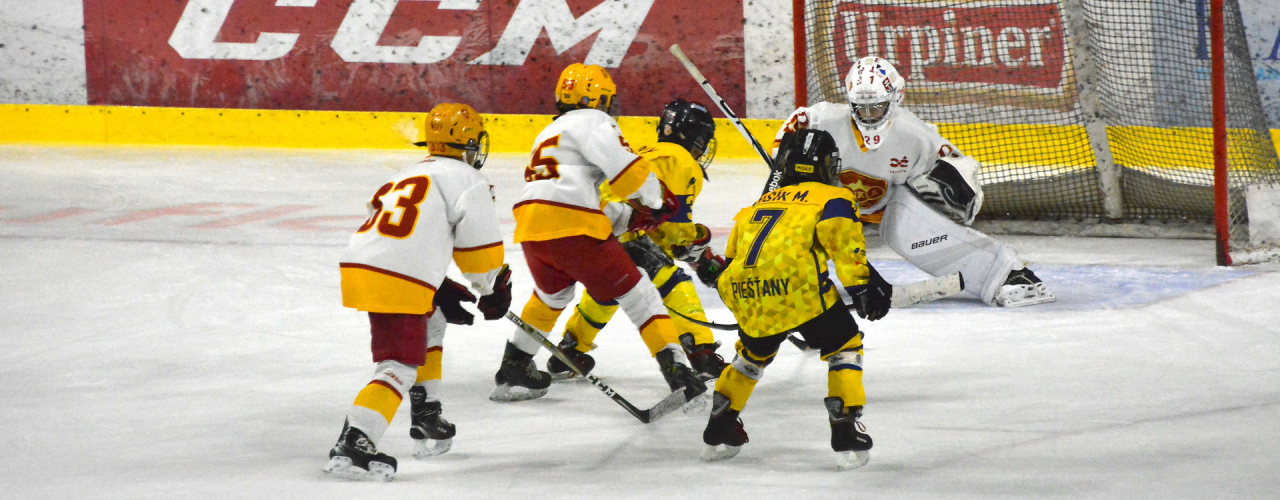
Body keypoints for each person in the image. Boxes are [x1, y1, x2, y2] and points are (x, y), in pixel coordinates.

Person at [490, 63, 707, 405]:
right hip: (572, 227)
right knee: (641, 295)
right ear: (595, 99)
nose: (610, 107)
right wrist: (656, 199)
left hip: (531, 228)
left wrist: (628, 218)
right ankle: (680, 376)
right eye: (607, 99)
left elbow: (573, 195)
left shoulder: (549, 132)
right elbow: (629, 173)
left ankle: (513, 366)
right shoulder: (593, 121)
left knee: (552, 297)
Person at [323, 103, 513, 481]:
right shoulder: (467, 179)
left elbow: (400, 231)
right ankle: (356, 440)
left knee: (434, 322)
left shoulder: (408, 174)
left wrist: (437, 286)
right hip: (398, 275)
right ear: (470, 142)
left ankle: (427, 412)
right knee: (398, 364)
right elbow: (480, 251)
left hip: (364, 264)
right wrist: (493, 287)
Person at [773, 56, 1055, 307]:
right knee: (796, 212)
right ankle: (784, 277)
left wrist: (956, 201)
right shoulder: (821, 120)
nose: (869, 116)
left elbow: (961, 174)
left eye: (877, 108)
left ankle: (1007, 274)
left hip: (885, 208)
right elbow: (784, 147)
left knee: (910, 230)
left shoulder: (917, 137)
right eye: (862, 108)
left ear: (896, 98)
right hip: (828, 201)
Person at [701, 128, 888, 471]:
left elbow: (731, 261)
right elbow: (842, 241)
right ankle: (844, 427)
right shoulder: (834, 197)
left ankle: (721, 423)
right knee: (844, 345)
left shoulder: (760, 203)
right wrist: (862, 285)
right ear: (826, 165)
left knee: (751, 357)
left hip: (744, 291)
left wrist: (751, 301)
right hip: (799, 291)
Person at [548, 98, 729, 381]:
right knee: (672, 281)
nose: (703, 147)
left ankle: (570, 350)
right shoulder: (681, 160)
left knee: (611, 287)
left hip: (589, 230)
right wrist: (700, 242)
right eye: (703, 139)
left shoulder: (643, 152)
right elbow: (672, 233)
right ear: (693, 137)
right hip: (622, 228)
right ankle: (701, 352)